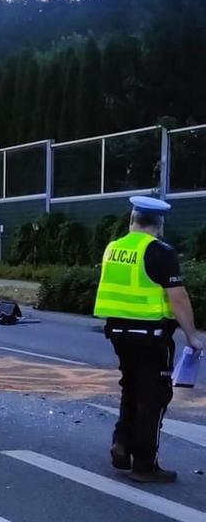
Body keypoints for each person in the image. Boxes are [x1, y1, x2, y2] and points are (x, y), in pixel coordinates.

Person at [94, 196, 203, 483]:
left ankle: (122, 442)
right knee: (153, 397)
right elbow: (178, 298)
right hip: (151, 337)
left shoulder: (113, 248)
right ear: (159, 223)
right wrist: (192, 336)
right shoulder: (159, 251)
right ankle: (144, 465)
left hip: (118, 333)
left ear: (133, 220)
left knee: (131, 388)